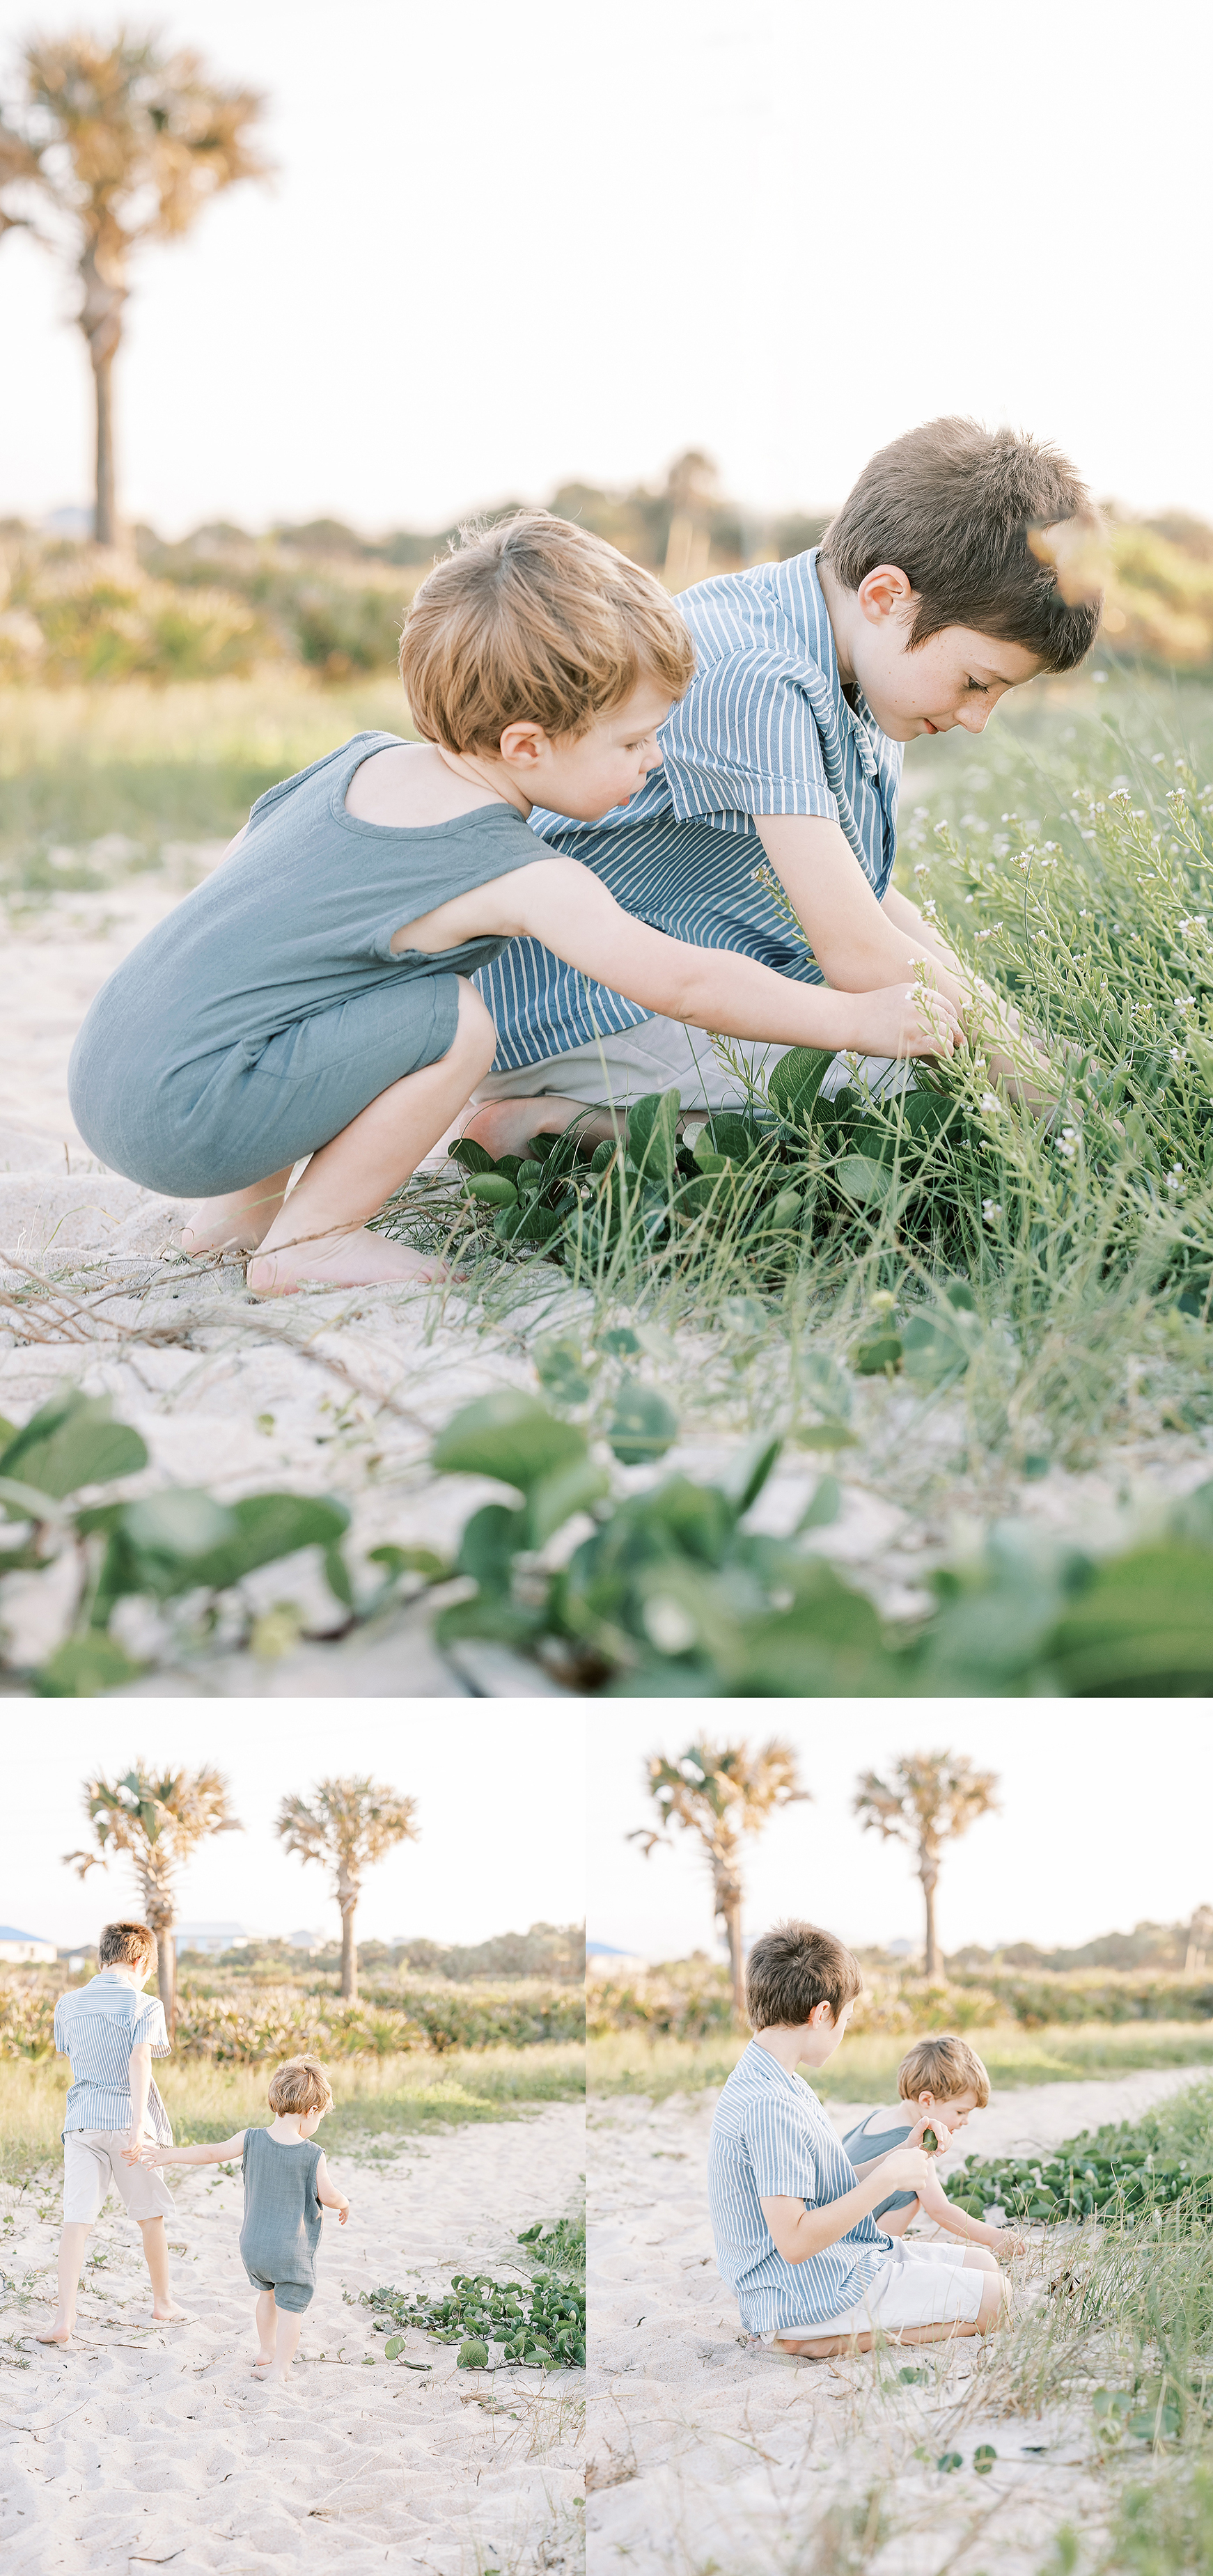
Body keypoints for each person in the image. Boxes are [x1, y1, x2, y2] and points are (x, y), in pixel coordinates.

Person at [65, 517, 960, 1297]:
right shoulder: (516, 871)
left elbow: (244, 901)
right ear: (526, 744)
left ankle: (237, 1217)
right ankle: (311, 1239)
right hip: (189, 1118)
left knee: (315, 990)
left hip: (113, 1065)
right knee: (453, 1021)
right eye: (634, 739)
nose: (654, 761)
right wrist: (854, 1018)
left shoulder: (355, 763)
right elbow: (682, 981)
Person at [464, 418, 1102, 1159]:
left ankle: (581, 1118)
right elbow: (857, 954)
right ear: (885, 594)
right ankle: (554, 1119)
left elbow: (861, 894)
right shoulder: (756, 673)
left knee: (974, 1058)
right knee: (928, 1100)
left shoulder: (866, 661)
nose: (977, 718)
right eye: (973, 682)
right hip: (587, 1005)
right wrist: (1030, 1081)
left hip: (695, 978)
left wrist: (1013, 1034)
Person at [707, 1921, 1012, 2359]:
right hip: (799, 2290)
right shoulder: (770, 2104)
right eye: (846, 2018)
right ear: (822, 2014)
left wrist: (902, 2153)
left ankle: (810, 2332)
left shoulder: (780, 2080)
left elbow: (821, 2186)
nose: (844, 2029)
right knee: (995, 2299)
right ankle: (810, 2337)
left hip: (828, 2265)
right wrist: (886, 2181)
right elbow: (793, 2242)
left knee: (985, 2265)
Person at [139, 2055, 348, 2382]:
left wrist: (169, 2154)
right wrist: (345, 2202)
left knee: (267, 2295)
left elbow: (210, 2152)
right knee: (291, 2307)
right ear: (312, 2111)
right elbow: (329, 2194)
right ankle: (280, 2367)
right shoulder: (312, 2154)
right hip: (290, 2252)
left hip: (253, 2247)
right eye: (320, 2117)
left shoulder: (250, 2138)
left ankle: (265, 2351)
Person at [38, 1919, 188, 2347]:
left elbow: (73, 2055)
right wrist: (140, 2123)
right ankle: (163, 2303)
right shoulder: (145, 2005)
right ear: (142, 1960)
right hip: (128, 2121)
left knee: (77, 2219)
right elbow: (141, 2060)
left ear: (104, 1957)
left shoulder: (68, 2004)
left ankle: (63, 2320)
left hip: (82, 2121)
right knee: (149, 2216)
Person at [842, 2034, 1023, 2254]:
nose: (965, 2121)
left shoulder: (875, 2117)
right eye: (960, 2112)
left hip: (830, 2219)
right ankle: (878, 2254)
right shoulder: (913, 2144)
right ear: (927, 2100)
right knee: (912, 2190)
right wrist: (994, 2236)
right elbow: (940, 2211)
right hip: (848, 2240)